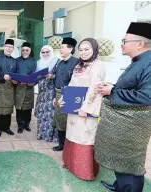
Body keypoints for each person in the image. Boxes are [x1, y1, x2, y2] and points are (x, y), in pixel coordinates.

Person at [95, 22, 151, 192]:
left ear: (140, 44)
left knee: (130, 166)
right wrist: (113, 87)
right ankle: (119, 186)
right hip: (124, 127)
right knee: (121, 161)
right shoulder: (140, 61)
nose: (121, 44)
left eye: (125, 40)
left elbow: (147, 96)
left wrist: (112, 91)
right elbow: (134, 87)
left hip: (132, 129)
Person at [58, 38, 105, 180]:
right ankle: (71, 164)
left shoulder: (98, 65)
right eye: (81, 49)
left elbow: (95, 89)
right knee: (72, 134)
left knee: (84, 138)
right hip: (74, 108)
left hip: (86, 111)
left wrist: (86, 109)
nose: (83, 52)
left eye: (87, 49)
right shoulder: (79, 65)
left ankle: (84, 171)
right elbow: (72, 84)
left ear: (94, 50)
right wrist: (63, 99)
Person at [50, 37, 79, 151]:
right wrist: (53, 96)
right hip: (58, 94)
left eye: (63, 47)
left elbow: (77, 82)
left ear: (70, 49)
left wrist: (66, 95)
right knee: (59, 120)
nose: (60, 50)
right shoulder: (60, 63)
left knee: (69, 121)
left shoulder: (77, 62)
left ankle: (69, 146)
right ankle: (61, 144)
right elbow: (55, 80)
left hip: (69, 95)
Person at [0, 39, 17, 137]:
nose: (8, 49)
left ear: (13, 48)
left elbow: (16, 74)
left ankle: (7, 127)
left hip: (10, 87)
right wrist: (2, 78)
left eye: (11, 47)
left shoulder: (14, 61)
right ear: (4, 47)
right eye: (7, 47)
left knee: (8, 109)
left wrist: (15, 81)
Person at [34, 45, 59, 142]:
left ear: (51, 52)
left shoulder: (57, 62)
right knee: (41, 113)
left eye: (47, 52)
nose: (45, 54)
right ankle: (41, 134)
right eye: (43, 52)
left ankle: (50, 136)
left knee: (50, 114)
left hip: (51, 91)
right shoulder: (39, 63)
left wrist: (52, 76)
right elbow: (36, 77)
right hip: (42, 91)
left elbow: (61, 75)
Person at [15, 42, 36, 133]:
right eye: (23, 50)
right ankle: (20, 125)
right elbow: (14, 73)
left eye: (27, 50)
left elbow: (35, 74)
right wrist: (18, 80)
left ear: (30, 51)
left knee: (28, 108)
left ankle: (27, 124)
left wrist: (33, 82)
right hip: (19, 87)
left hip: (29, 87)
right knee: (19, 108)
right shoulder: (17, 60)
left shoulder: (33, 61)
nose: (25, 52)